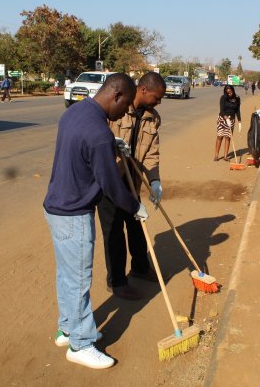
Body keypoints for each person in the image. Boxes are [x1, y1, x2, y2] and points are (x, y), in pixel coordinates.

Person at [42, 73, 148, 369]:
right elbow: (112, 186)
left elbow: (83, 143)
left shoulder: (76, 111)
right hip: (74, 213)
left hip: (55, 207)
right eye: (125, 104)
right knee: (78, 280)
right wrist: (135, 207)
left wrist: (111, 144)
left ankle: (68, 328)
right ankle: (80, 344)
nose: (125, 111)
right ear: (116, 96)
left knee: (66, 276)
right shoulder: (99, 134)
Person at [98, 72, 166, 300]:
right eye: (157, 97)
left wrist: (154, 180)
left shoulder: (152, 118)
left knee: (137, 226)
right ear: (144, 90)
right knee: (114, 232)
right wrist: (112, 148)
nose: (159, 102)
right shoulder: (115, 110)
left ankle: (139, 266)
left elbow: (152, 152)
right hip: (110, 182)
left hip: (132, 180)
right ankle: (116, 281)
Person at [214, 84, 242, 161]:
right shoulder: (223, 98)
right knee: (220, 136)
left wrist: (239, 121)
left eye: (230, 92)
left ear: (233, 90)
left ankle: (225, 156)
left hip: (232, 120)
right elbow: (222, 110)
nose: (229, 94)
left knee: (228, 137)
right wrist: (226, 118)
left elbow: (237, 110)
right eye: (227, 93)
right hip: (222, 119)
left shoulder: (237, 98)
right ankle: (216, 155)